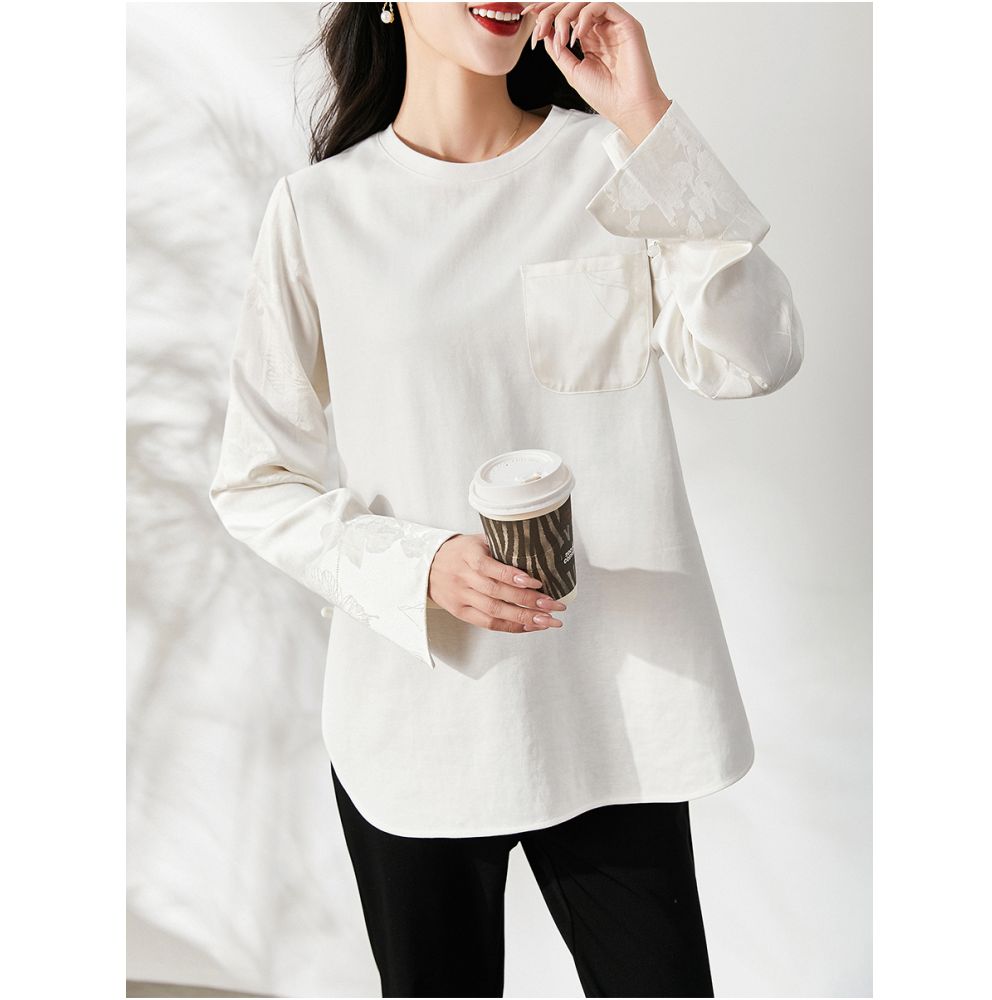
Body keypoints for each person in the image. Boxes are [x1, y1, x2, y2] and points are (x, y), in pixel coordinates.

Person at [208, 2, 804, 996]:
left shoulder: (615, 162)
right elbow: (254, 480)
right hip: (416, 730)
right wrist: (419, 567)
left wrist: (647, 116)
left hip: (616, 712)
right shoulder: (318, 214)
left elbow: (757, 355)